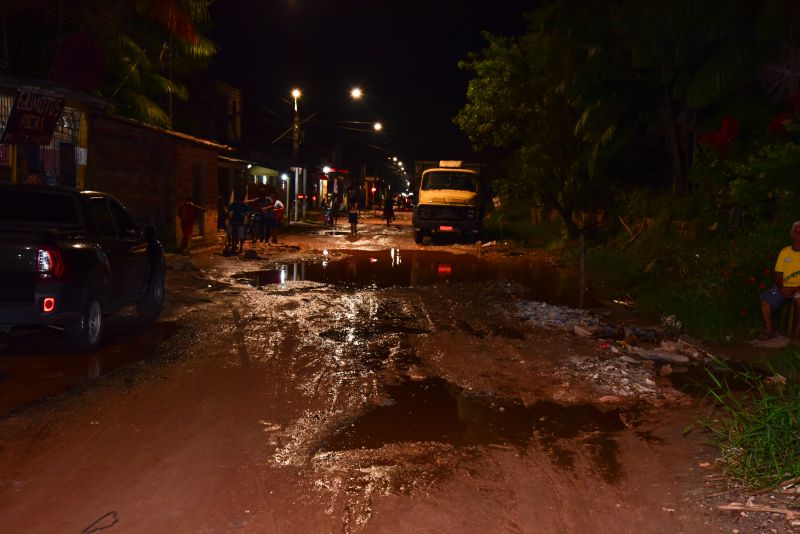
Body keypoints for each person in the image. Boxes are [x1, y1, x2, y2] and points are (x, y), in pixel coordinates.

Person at [759, 221, 800, 339]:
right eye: (797, 232)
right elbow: (778, 274)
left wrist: (793, 289)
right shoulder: (785, 252)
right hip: (784, 287)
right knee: (765, 302)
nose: (799, 235)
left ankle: (797, 333)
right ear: (792, 234)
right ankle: (769, 331)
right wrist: (781, 288)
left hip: (798, 287)